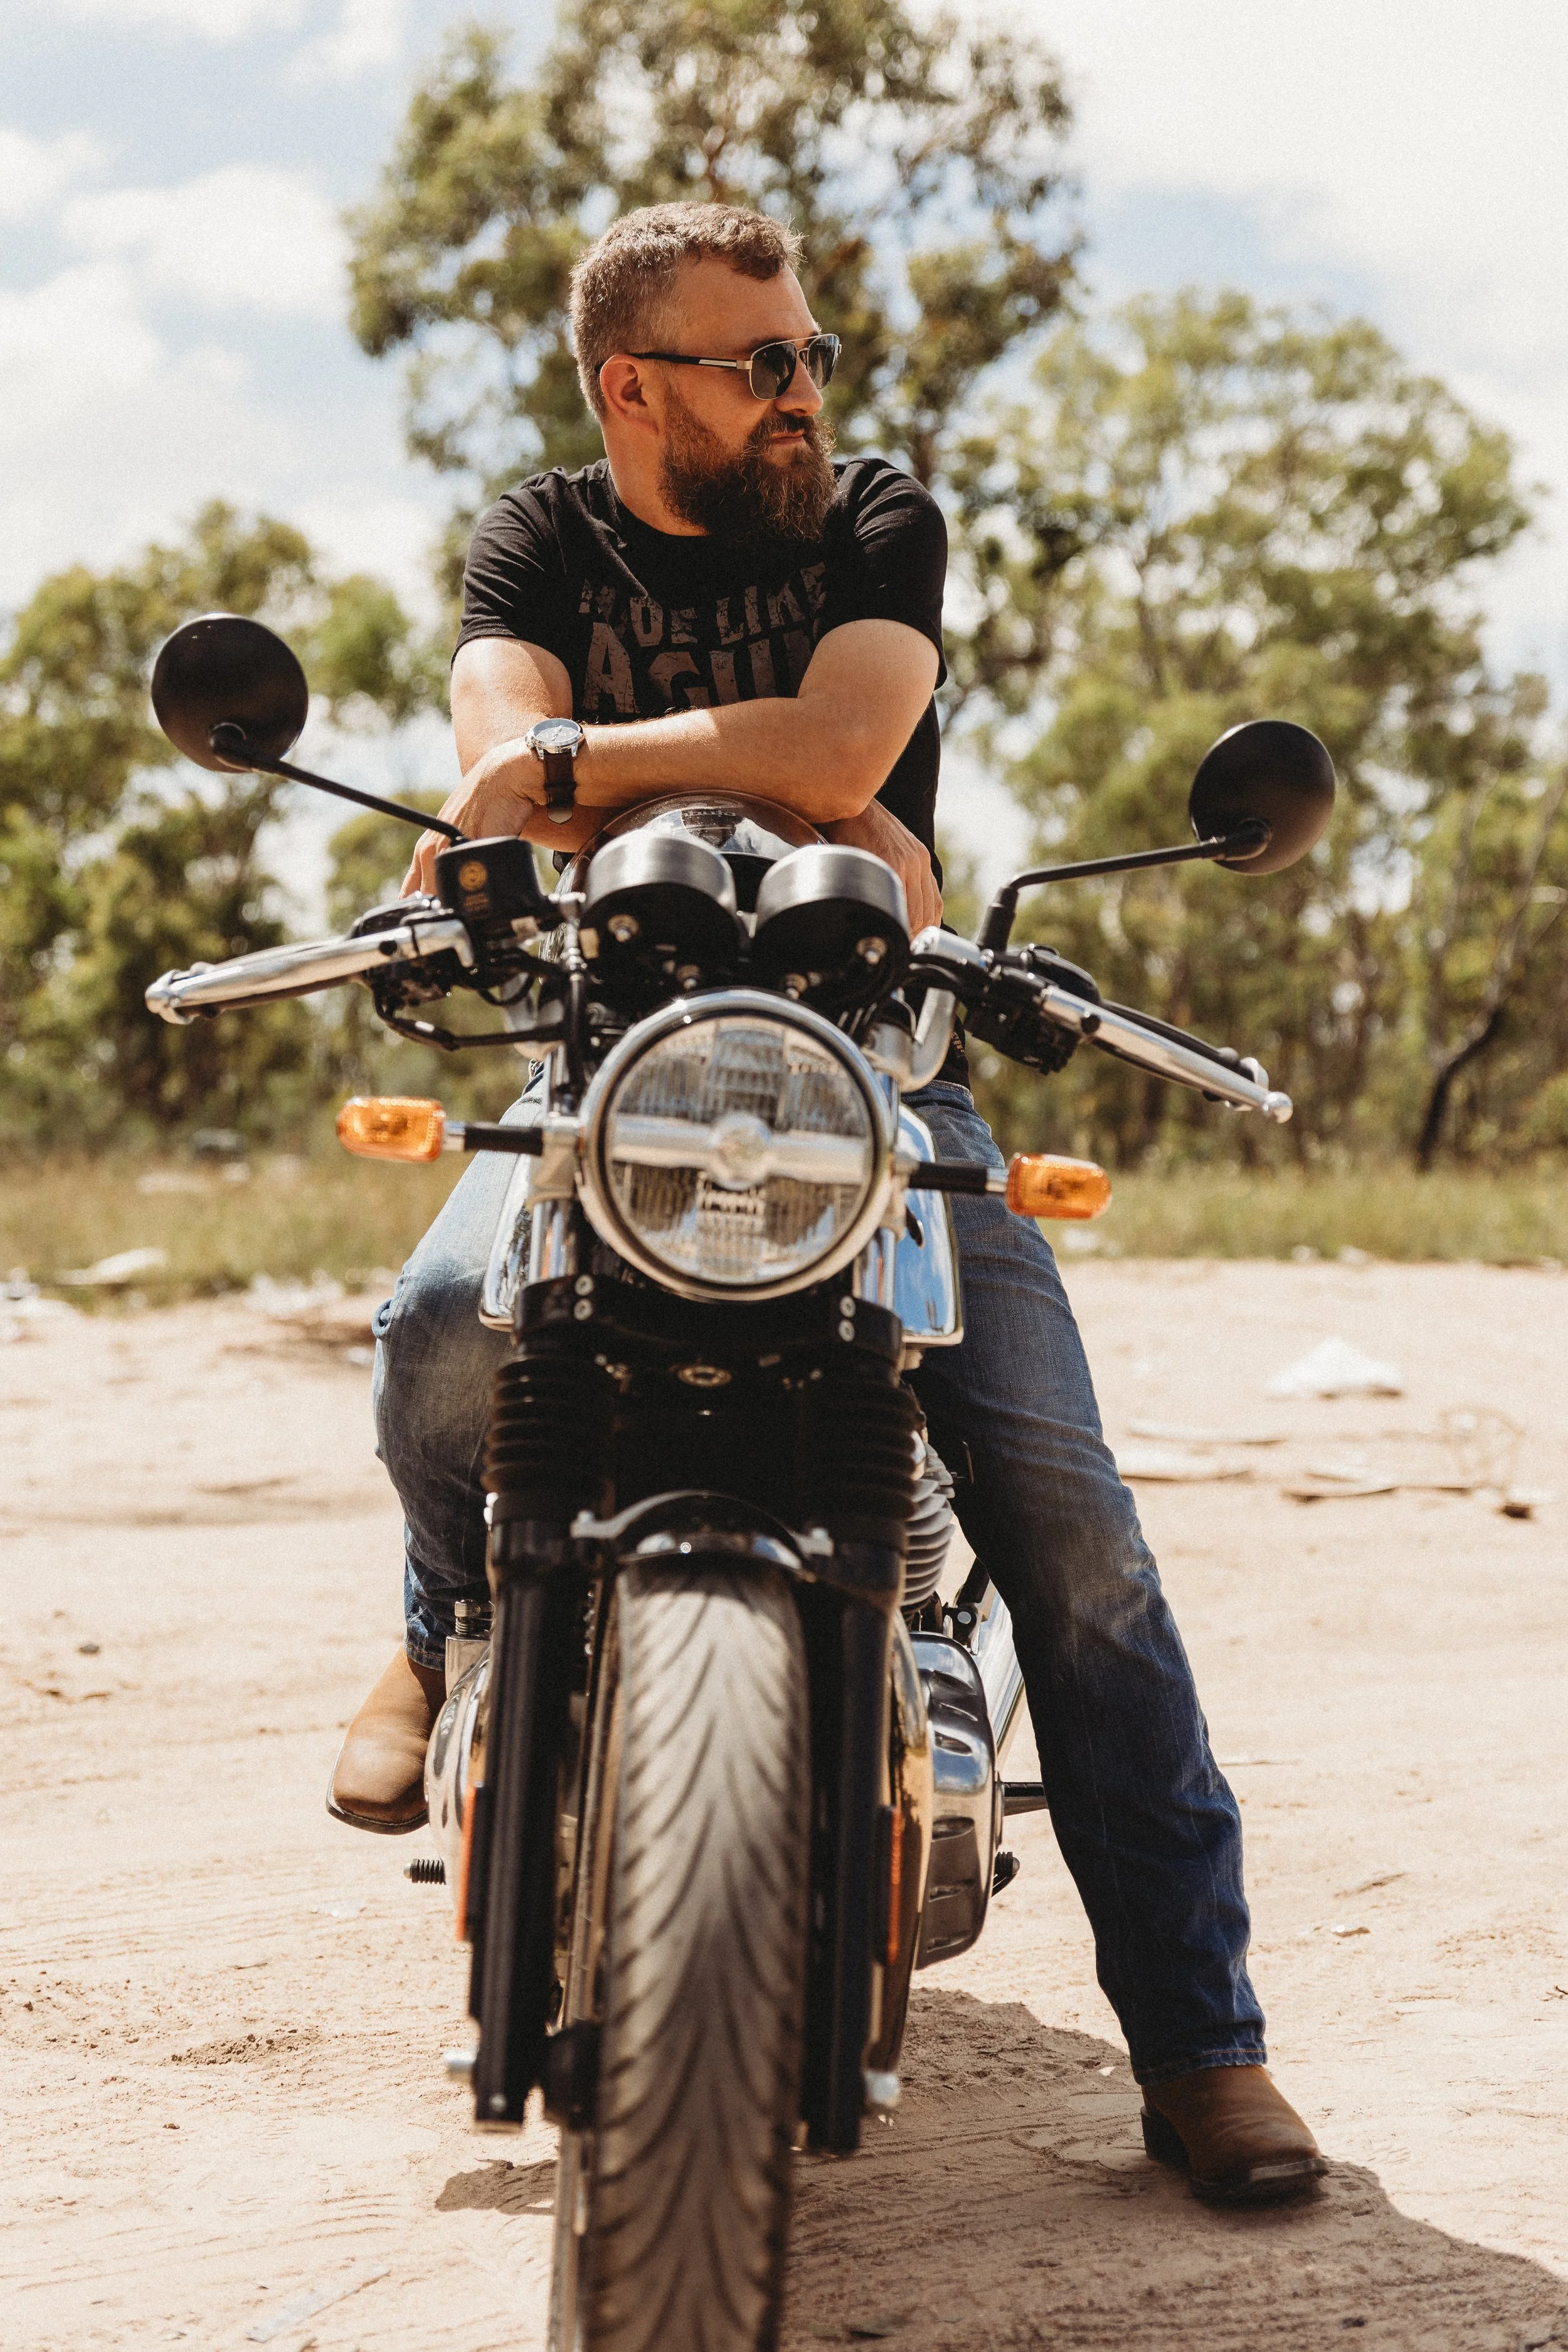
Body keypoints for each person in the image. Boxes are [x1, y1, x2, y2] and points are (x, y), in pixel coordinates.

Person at [332, 201, 1326, 2208]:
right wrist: (765, 791)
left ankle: (1203, 2043)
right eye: (757, 359)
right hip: (601, 1072)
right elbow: (493, 771)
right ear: (635, 387)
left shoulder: (871, 517)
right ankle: (442, 1627)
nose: (804, 390)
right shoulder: (537, 538)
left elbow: (844, 742)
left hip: (876, 1080)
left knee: (1070, 1526)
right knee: (443, 1325)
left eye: (806, 353)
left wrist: (603, 770)